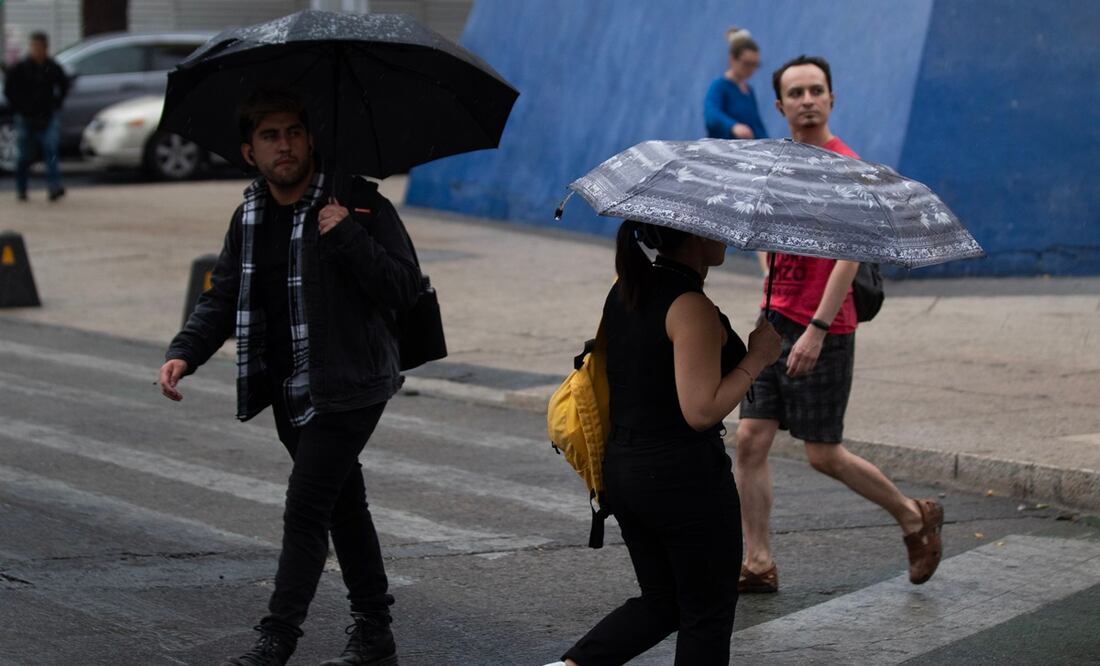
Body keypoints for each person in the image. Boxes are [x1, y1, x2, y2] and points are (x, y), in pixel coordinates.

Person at [158, 89, 421, 666]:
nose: (286, 146)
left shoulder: (356, 202)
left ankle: (275, 643)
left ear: (311, 139)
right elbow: (224, 294)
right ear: (249, 152)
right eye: (271, 136)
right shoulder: (249, 214)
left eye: (295, 133)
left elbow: (405, 289)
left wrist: (347, 234)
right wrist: (186, 352)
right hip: (286, 387)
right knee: (342, 505)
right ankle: (375, 632)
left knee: (306, 506)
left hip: (352, 383)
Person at [734, 55, 944, 595]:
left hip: (824, 327)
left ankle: (913, 516)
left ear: (831, 99)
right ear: (779, 106)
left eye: (816, 91)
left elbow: (852, 252)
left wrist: (817, 328)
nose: (807, 100)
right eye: (796, 93)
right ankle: (758, 561)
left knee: (821, 453)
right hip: (772, 320)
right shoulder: (779, 165)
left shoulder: (846, 166)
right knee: (750, 440)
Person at [551, 221, 781, 665]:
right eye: (718, 228)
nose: (727, 236)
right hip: (682, 479)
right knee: (706, 613)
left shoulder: (628, 289)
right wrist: (757, 359)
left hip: (626, 471)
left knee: (663, 601)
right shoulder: (690, 305)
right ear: (696, 235)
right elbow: (701, 410)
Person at [3, 31, 69, 202]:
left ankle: (54, 186)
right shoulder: (22, 67)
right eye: (33, 47)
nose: (36, 50)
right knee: (24, 155)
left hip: (47, 116)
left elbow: (64, 85)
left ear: (45, 48)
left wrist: (56, 104)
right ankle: (21, 188)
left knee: (50, 150)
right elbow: (10, 90)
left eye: (39, 47)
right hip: (26, 117)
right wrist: (20, 108)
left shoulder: (52, 67)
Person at [703, 27, 767, 142]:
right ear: (732, 59)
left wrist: (771, 144)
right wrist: (733, 126)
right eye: (747, 64)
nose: (751, 69)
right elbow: (711, 115)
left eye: (755, 65)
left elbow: (757, 125)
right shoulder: (719, 86)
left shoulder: (749, 91)